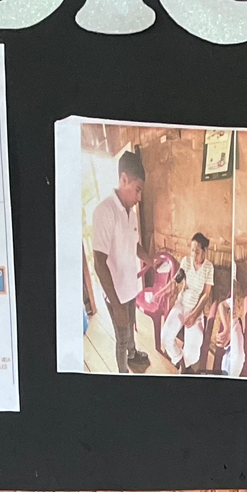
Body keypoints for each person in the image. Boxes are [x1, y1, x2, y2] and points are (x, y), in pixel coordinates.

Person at [92, 148, 152, 374]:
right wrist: (116, 305)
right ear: (124, 179)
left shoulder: (131, 214)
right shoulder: (105, 211)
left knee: (131, 329)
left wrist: (150, 259)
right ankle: (122, 373)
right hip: (115, 295)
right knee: (121, 338)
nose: (139, 198)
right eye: (137, 190)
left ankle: (133, 354)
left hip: (130, 288)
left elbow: (134, 244)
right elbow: (99, 262)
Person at [163, 232, 215, 372]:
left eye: (197, 251)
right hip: (181, 304)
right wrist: (163, 291)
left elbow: (206, 294)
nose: (193, 255)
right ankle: (181, 363)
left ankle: (184, 366)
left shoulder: (209, 267)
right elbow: (176, 279)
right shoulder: (186, 261)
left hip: (195, 308)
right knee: (166, 336)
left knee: (193, 351)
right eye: (192, 250)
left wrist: (194, 314)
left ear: (205, 251)